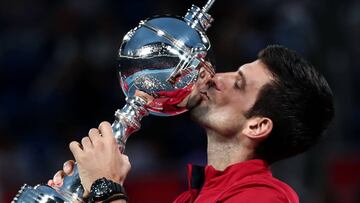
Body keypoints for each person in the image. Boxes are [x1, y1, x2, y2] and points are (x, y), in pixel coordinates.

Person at [48, 45, 334, 203]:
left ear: (257, 126)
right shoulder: (190, 198)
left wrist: (106, 188)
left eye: (238, 83)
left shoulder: (266, 198)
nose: (214, 77)